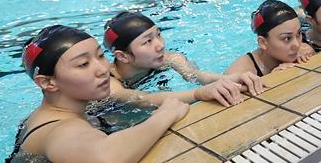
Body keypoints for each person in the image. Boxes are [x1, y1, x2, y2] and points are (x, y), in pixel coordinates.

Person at [4, 25, 189, 163]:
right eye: (83, 64)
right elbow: (108, 162)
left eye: (100, 56)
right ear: (47, 82)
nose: (103, 69)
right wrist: (166, 114)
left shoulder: (54, 112)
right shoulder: (57, 128)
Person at [104, 11, 265, 106]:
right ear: (122, 56)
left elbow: (196, 75)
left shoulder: (167, 59)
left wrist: (231, 78)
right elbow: (143, 99)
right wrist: (198, 94)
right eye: (148, 41)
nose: (160, 45)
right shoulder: (109, 84)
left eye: (158, 35)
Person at [224, 0, 312, 77]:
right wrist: (272, 79)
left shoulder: (304, 51)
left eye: (298, 34)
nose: (297, 45)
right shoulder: (240, 72)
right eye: (287, 38)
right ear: (263, 43)